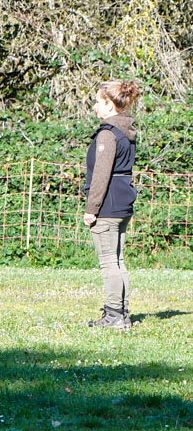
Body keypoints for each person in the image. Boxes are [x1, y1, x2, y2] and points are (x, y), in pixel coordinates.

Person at [82, 80, 142, 329]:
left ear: (110, 104)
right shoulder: (126, 131)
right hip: (123, 201)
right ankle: (122, 312)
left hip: (108, 204)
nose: (95, 106)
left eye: (98, 101)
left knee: (108, 261)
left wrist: (91, 208)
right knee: (118, 260)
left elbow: (101, 175)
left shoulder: (108, 133)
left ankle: (115, 315)